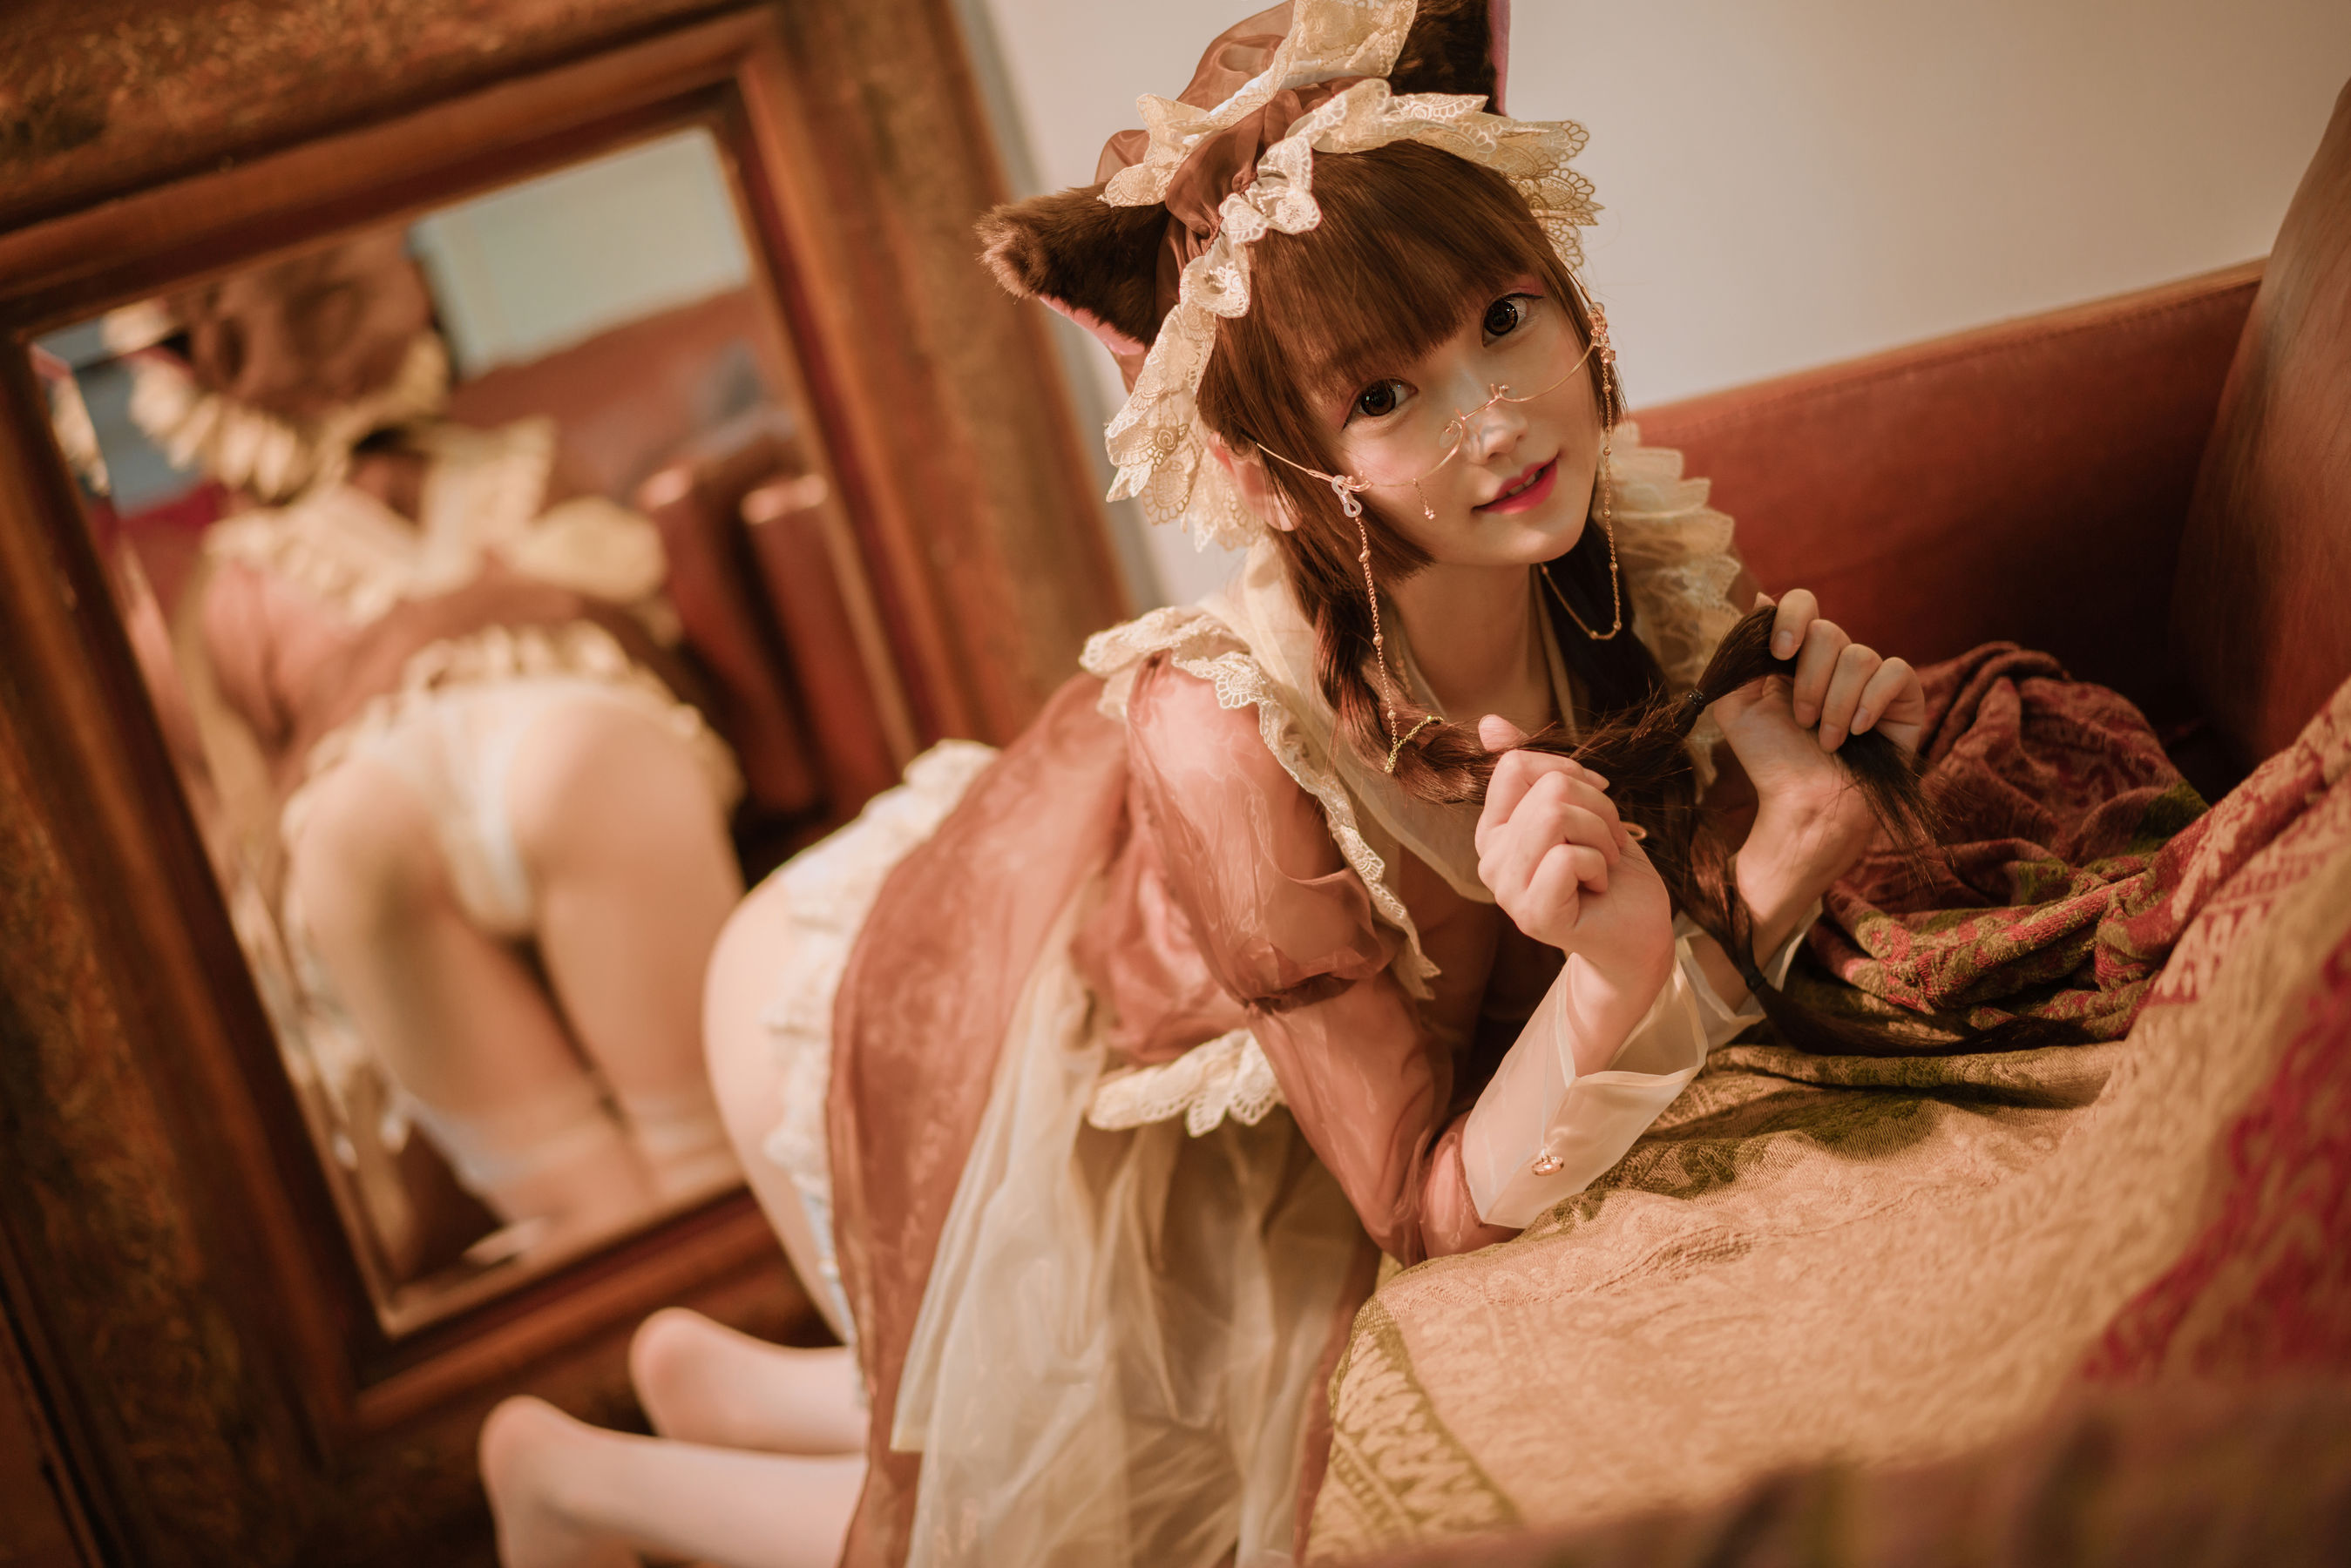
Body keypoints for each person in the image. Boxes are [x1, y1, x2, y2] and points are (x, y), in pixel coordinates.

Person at [478, 3, 1947, 1563]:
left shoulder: (1611, 536)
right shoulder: (1223, 730)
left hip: (1283, 1046)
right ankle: (574, 1480)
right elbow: (1423, 1207)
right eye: (1379, 397)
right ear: (1271, 470)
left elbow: (1669, 931)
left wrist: (1786, 789)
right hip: (919, 1009)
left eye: (1505, 316)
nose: (1493, 416)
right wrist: (1669, 939)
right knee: (1084, 1525)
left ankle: (736, 1387)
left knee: (1090, 1418)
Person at [125, 230, 747, 1262]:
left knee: (575, 1226)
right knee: (710, 1162)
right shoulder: (529, 463)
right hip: (568, 735)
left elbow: (252, 844)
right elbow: (673, 634)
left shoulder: (225, 584)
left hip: (357, 810)